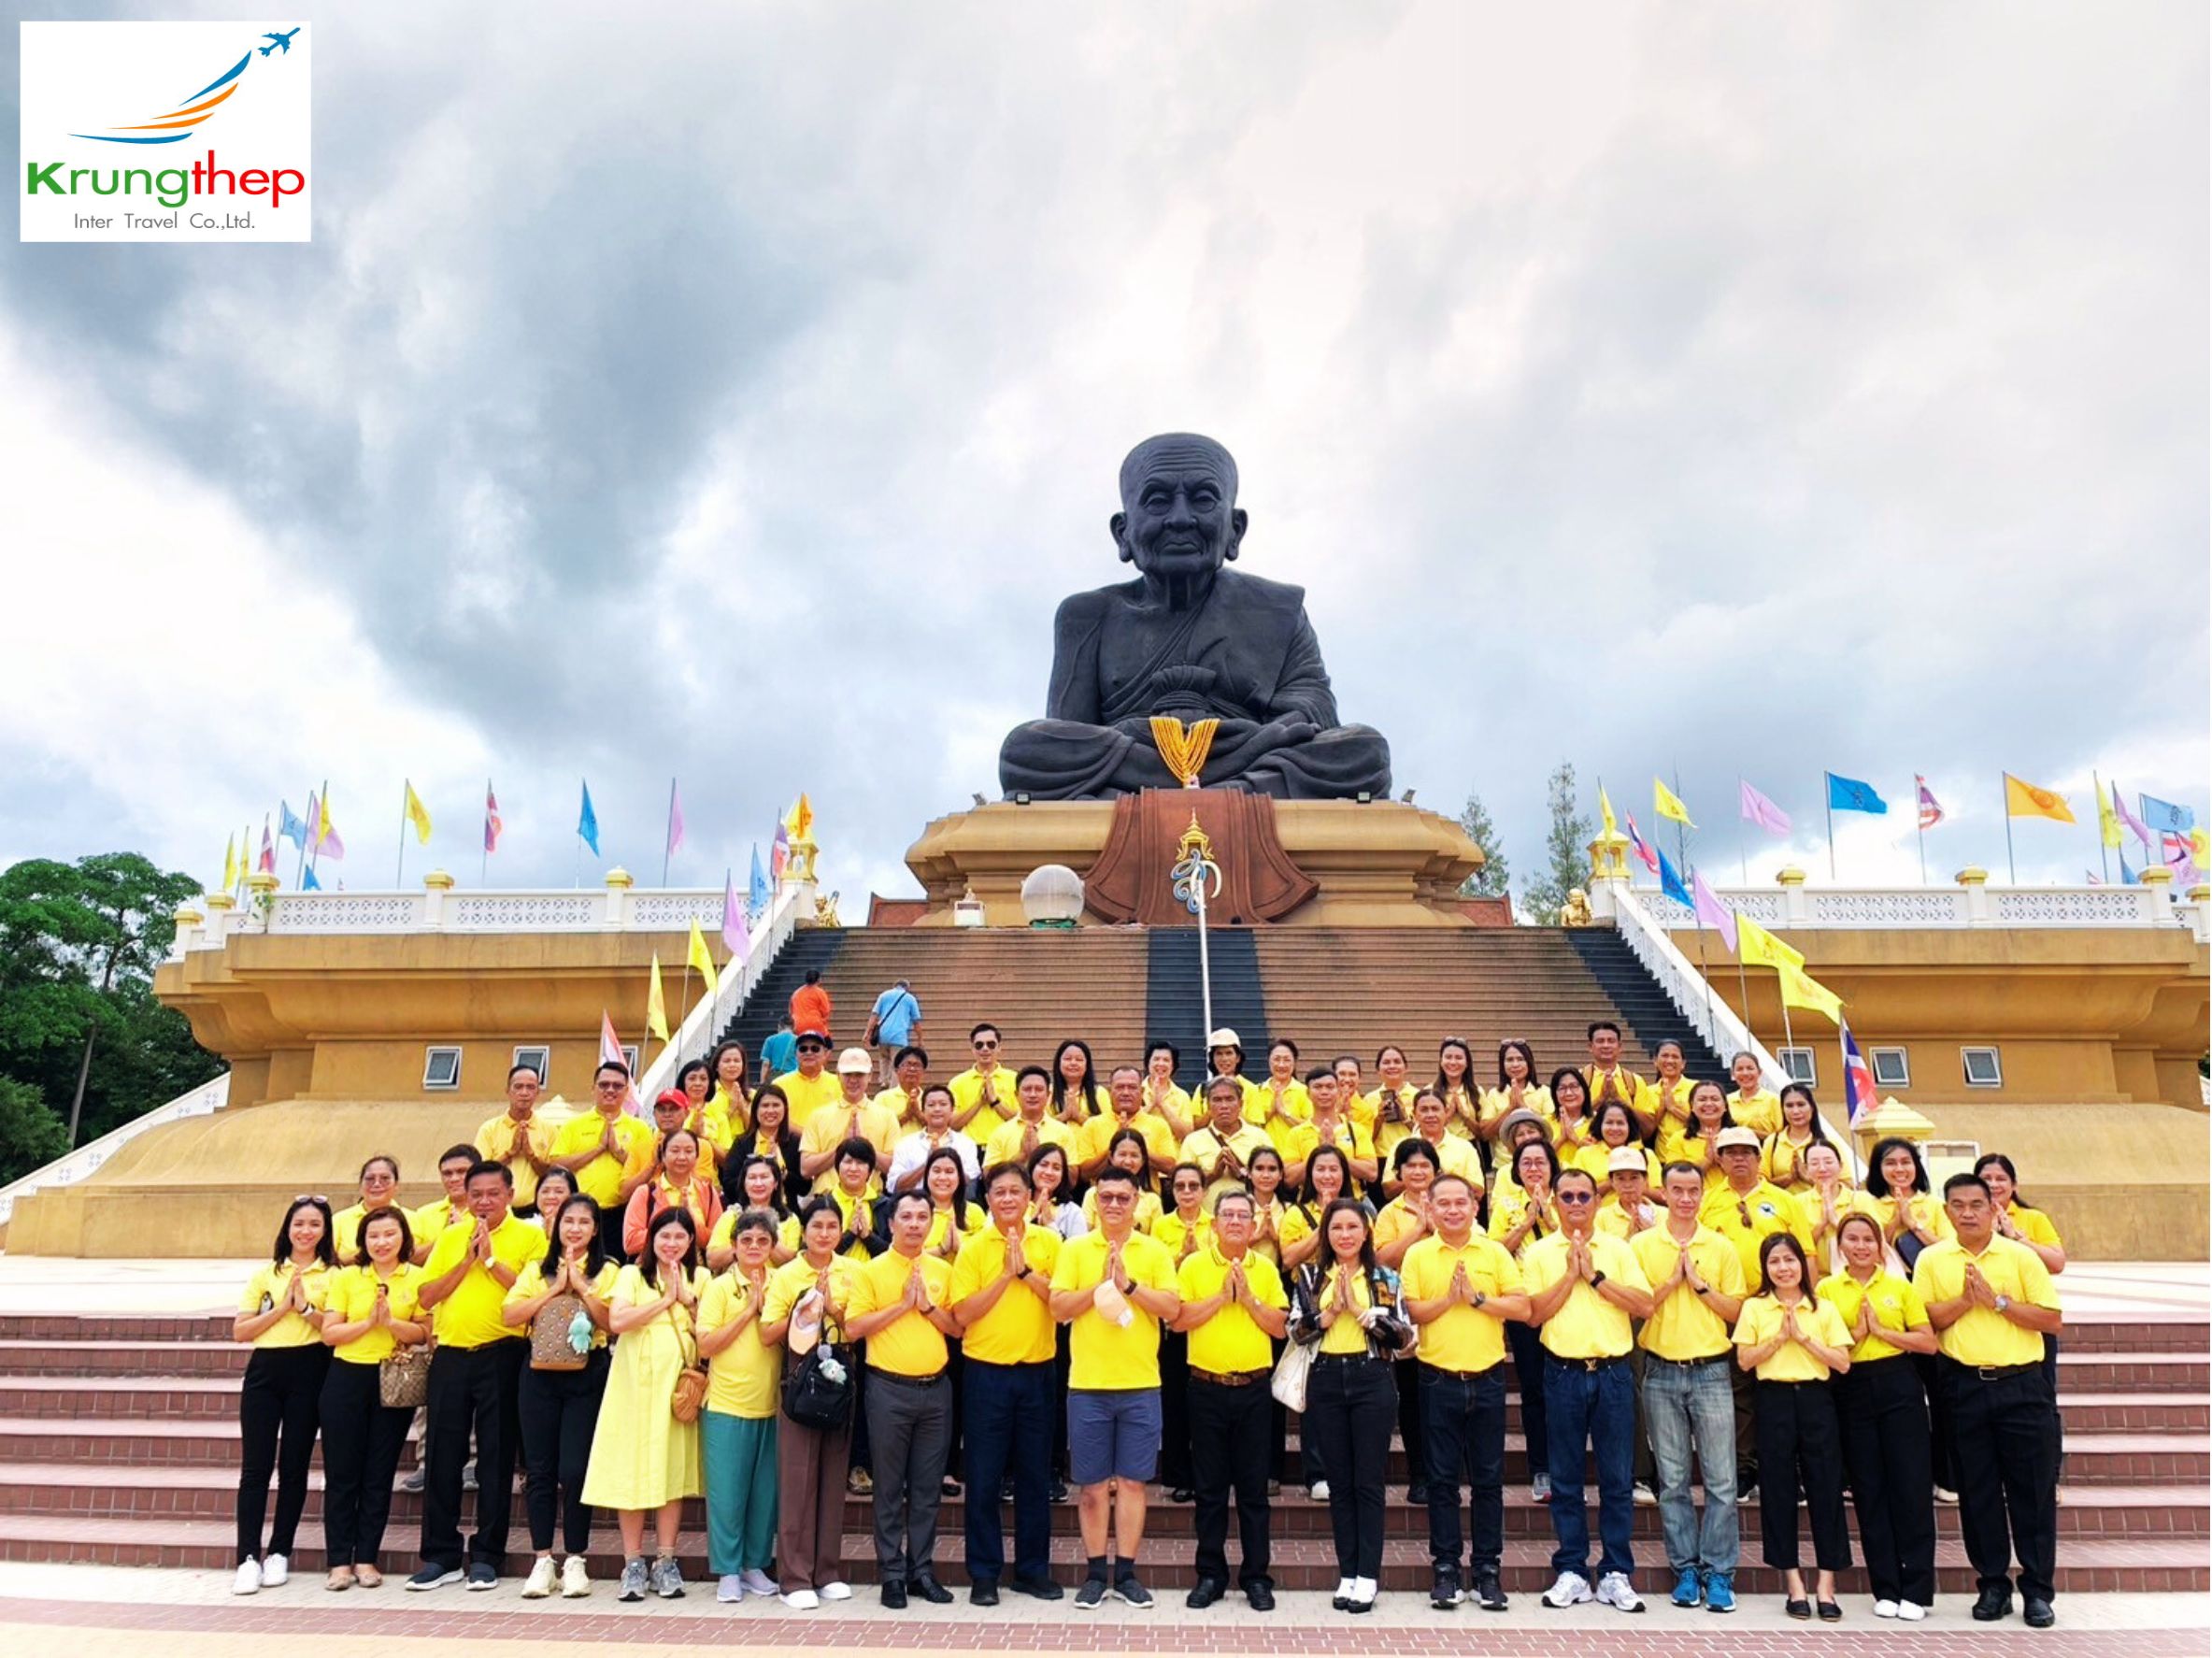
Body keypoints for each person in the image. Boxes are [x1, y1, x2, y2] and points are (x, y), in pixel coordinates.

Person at [1914, 1171, 2064, 1628]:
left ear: (1994, 1208)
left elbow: (2051, 1319)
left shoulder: (2020, 1256)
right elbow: (1925, 1320)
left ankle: (2037, 1589)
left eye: (1976, 1204)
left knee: (2032, 1491)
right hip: (1964, 1387)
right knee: (1977, 1491)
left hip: (2022, 1386)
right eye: (1957, 1205)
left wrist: (1997, 1303)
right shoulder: (1933, 1259)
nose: (1967, 1212)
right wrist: (1965, 1300)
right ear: (1946, 1211)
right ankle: (1993, 1583)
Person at [1523, 1166, 1655, 1613]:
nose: (1576, 1204)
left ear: (1596, 1203)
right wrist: (1569, 1276)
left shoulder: (1619, 1249)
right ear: (1554, 1202)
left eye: (1584, 1196)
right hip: (1562, 1374)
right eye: (1567, 1197)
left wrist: (1596, 1277)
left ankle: (1616, 1570)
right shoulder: (1541, 1252)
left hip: (1614, 1373)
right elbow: (1533, 1314)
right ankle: (1573, 1569)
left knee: (1617, 1479)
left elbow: (1645, 1305)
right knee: (1565, 1479)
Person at [1050, 1165, 1182, 1608]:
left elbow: (1172, 1309)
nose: (1113, 1205)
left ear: (1137, 1201)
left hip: (1141, 1384)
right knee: (1090, 1487)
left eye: (1122, 1198)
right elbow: (1057, 1307)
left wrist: (1128, 1284)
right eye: (1105, 1197)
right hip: (1087, 1384)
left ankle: (1125, 1572)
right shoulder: (1075, 1249)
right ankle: (1093, 1573)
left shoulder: (1155, 1250)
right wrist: (1100, 1286)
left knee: (1131, 1484)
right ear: (1095, 1201)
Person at [408, 1162, 539, 1593]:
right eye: (476, 1194)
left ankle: (487, 1555)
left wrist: (491, 1260)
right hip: (450, 1356)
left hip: (502, 1354)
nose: (484, 1202)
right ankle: (441, 1555)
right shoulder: (449, 1236)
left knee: (496, 1458)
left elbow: (533, 1294)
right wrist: (466, 1260)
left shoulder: (530, 1236)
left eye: (493, 1193)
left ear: (510, 1193)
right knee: (443, 1457)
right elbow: (426, 1295)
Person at [1400, 1172, 1526, 1612]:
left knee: (1489, 1482)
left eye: (1461, 1202)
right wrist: (1449, 1301)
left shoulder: (1494, 1251)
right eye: (1444, 1204)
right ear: (1430, 1209)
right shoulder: (1417, 1254)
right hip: (1437, 1379)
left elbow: (1522, 1307)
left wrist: (1476, 1300)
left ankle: (1488, 1569)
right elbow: (1412, 1310)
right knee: (1442, 1482)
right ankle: (1447, 1569)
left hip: (1488, 1378)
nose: (1453, 1210)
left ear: (1476, 1206)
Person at [1632, 1162, 1747, 1612]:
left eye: (1692, 1190)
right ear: (1664, 1192)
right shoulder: (1643, 1245)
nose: (1684, 1198)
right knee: (1674, 1480)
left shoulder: (1720, 1246)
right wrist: (1669, 1284)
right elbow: (1637, 1305)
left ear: (1702, 1193)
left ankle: (1719, 1572)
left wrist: (1698, 1286)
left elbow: (1736, 1312)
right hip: (1660, 1371)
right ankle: (1685, 1568)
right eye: (1676, 1190)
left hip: (1712, 1371)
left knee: (1721, 1480)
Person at [1287, 1198, 1409, 1614]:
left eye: (1352, 1227)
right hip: (1325, 1379)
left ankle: (1368, 1576)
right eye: (1336, 1228)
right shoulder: (1309, 1275)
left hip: (1371, 1379)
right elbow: (1296, 1331)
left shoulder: (1384, 1276)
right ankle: (1348, 1572)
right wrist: (1329, 1313)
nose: (1344, 1235)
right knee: (1339, 1482)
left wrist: (1359, 1312)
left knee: (1367, 1481)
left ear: (1366, 1232)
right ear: (1326, 1234)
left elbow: (1403, 1337)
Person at [951, 1161, 1064, 1605]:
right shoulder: (975, 1248)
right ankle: (984, 1574)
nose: (1008, 1199)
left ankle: (1033, 1571)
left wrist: (1025, 1274)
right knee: (983, 1477)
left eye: (1016, 1191)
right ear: (988, 1198)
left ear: (1028, 1195)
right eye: (999, 1192)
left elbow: (1063, 1306)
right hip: (986, 1376)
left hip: (1038, 1374)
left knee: (1035, 1477)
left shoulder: (1051, 1242)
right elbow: (961, 1315)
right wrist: (1002, 1275)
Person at [844, 1189, 962, 1606]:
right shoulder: (871, 1271)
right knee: (890, 1487)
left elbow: (958, 1328)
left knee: (928, 1488)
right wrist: (902, 1306)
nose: (914, 1224)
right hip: (888, 1389)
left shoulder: (943, 1271)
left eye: (922, 1217)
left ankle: (921, 1571)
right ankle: (891, 1573)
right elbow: (855, 1327)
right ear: (890, 1223)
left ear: (932, 1223)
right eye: (906, 1217)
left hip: (936, 1390)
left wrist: (927, 1308)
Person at [1173, 1189, 1289, 1610]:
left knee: (1254, 1491)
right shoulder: (1194, 1265)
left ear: (1253, 1224)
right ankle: (1211, 1575)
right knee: (1210, 1489)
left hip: (1255, 1391)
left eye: (1244, 1215)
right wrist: (1222, 1298)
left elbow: (1280, 1328)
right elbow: (1180, 1319)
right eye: (1228, 1215)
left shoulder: (1267, 1268)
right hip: (1206, 1389)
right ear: (1215, 1223)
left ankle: (1257, 1576)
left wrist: (1249, 1299)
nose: (1236, 1222)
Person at [1820, 1210, 1938, 1620]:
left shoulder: (1899, 1287)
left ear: (1880, 1245)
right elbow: (1829, 1352)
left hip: (1898, 1383)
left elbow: (1927, 1342)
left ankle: (1918, 1590)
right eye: (1852, 1239)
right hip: (1852, 1388)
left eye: (1868, 1239)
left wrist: (1882, 1332)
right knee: (1870, 1490)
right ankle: (1885, 1587)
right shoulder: (1828, 1290)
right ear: (1841, 1247)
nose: (1861, 1246)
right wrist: (1857, 1334)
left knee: (1911, 1487)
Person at [584, 1208, 706, 1601]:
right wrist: (666, 1300)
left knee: (671, 1471)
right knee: (633, 1470)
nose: (671, 1244)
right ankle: (633, 1562)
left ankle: (666, 1560)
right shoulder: (632, 1276)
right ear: (651, 1239)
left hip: (676, 1391)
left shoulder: (701, 1278)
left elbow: (710, 1330)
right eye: (664, 1236)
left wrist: (687, 1301)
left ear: (691, 1242)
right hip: (634, 1386)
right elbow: (618, 1321)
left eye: (680, 1237)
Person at [503, 1194, 618, 1599]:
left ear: (595, 1229)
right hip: (538, 1375)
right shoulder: (537, 1270)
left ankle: (575, 1559)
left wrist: (581, 1285)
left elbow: (610, 1321)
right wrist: (555, 1289)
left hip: (587, 1375)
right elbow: (510, 1315)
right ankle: (542, 1559)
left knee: (574, 1469)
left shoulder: (609, 1270)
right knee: (539, 1470)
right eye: (568, 1221)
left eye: (584, 1222)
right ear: (555, 1226)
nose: (575, 1228)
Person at [1734, 1233, 1854, 1620]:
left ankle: (1826, 1585)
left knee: (1825, 1489)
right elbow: (1745, 1361)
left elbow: (1842, 1362)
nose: (1783, 1268)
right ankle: (1794, 1583)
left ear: (1802, 1264)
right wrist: (1777, 1340)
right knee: (1778, 1491)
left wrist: (1802, 1339)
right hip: (1773, 1401)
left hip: (1817, 1401)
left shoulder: (1824, 1308)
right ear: (1766, 1268)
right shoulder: (1755, 1308)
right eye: (1774, 1262)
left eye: (1789, 1260)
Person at [317, 1207, 427, 1590]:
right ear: (363, 1241)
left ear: (403, 1238)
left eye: (389, 1235)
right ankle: (338, 1562)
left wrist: (392, 1323)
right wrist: (368, 1323)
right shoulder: (348, 1277)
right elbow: (330, 1334)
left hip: (392, 1378)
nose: (381, 1242)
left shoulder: (417, 1277)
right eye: (373, 1236)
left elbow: (424, 1334)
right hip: (347, 1378)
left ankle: (366, 1558)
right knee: (342, 1474)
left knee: (378, 1474)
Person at [232, 1195, 336, 1595]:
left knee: (294, 1466)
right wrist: (282, 1309)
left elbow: (330, 1328)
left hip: (310, 1370)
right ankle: (247, 1557)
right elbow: (241, 1331)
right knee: (255, 1469)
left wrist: (306, 1307)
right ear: (287, 1228)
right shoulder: (267, 1274)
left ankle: (279, 1552)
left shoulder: (333, 1275)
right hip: (265, 1372)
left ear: (325, 1230)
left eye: (314, 1224)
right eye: (299, 1224)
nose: (305, 1231)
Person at [763, 1196, 862, 1610]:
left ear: (841, 1232)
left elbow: (856, 1329)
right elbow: (769, 1332)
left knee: (833, 1474)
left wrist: (834, 1310)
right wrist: (806, 1310)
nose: (824, 1233)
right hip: (801, 1375)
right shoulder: (786, 1275)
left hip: (839, 1374)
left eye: (831, 1227)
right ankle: (794, 1576)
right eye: (816, 1226)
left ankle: (827, 1571)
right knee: (798, 1478)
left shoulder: (854, 1271)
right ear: (803, 1231)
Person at [1699, 1124, 1807, 1494]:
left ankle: (1789, 1467)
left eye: (1747, 1152)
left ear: (1760, 1158)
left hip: (1779, 1306)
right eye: (1731, 1152)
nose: (1739, 1158)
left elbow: (1805, 1254)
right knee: (1739, 1389)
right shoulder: (1710, 1200)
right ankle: (1747, 1466)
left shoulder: (1783, 1199)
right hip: (1731, 1309)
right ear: (1720, 1158)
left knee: (1784, 1384)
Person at [695, 1208, 786, 1604]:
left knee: (764, 1496)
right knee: (727, 1496)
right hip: (726, 1406)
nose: (753, 1247)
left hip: (770, 1406)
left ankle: (753, 1565)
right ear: (733, 1246)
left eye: (762, 1241)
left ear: (772, 1246)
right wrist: (750, 1310)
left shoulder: (782, 1283)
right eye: (746, 1241)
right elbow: (706, 1345)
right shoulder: (719, 1287)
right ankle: (728, 1571)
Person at [1488, 1138, 1562, 1500]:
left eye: (1540, 1162)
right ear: (1516, 1170)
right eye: (1526, 1163)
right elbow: (1495, 1248)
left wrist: (1548, 1216)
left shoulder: (1570, 1199)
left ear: (1552, 1166)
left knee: (1565, 1391)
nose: (1533, 1169)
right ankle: (1541, 1470)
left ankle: (1567, 1470)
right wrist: (1527, 1221)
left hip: (1562, 1302)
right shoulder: (1505, 1204)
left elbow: (1576, 1240)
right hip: (1523, 1303)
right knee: (1533, 1388)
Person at [549, 1063, 658, 1259]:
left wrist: (617, 1152)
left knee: (614, 1269)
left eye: (617, 1086)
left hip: (620, 1213)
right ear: (593, 1089)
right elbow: (556, 1164)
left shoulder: (639, 1128)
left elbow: (647, 1172)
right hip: (581, 1214)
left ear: (627, 1091)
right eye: (604, 1085)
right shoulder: (574, 1125)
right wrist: (598, 1149)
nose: (610, 1090)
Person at [1149, 1162, 1210, 1502]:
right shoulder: (1160, 1227)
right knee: (1174, 1400)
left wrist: (1198, 1257)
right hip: (1172, 1322)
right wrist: (1181, 1259)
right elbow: (1155, 1275)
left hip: (1204, 1319)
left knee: (1203, 1403)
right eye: (1181, 1187)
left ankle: (1205, 1473)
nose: (1187, 1192)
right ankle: (1178, 1474)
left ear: (1203, 1190)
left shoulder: (1215, 1224)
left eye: (1193, 1186)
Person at [799, 1048, 901, 1191]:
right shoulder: (818, 1116)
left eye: (859, 1074)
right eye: (847, 1074)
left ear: (870, 1076)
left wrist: (865, 1149)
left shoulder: (886, 1115)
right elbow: (806, 1169)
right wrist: (842, 1147)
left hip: (871, 1200)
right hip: (829, 1201)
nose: (853, 1080)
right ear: (838, 1075)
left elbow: (895, 1168)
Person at [622, 1125, 722, 1258]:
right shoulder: (645, 1193)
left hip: (697, 1272)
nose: (682, 1157)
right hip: (653, 1271)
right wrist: (671, 1221)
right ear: (662, 1156)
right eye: (675, 1151)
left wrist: (690, 1219)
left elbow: (718, 1242)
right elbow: (631, 1242)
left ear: (697, 1156)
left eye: (688, 1151)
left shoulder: (708, 1192)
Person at [1182, 1074, 1277, 1205]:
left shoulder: (1260, 1137)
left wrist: (1241, 1174)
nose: (1224, 1106)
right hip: (1206, 1221)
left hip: (1251, 1218)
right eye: (1217, 1100)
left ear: (1241, 1104)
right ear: (1208, 1107)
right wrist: (1213, 1174)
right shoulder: (1192, 1141)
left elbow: (1275, 1180)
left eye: (1230, 1099)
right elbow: (1182, 1186)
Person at [1077, 1065, 1180, 1180]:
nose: (1126, 1093)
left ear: (1141, 1092)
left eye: (1132, 1087)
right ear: (1110, 1091)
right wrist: (1116, 1143)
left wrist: (1137, 1146)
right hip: (1104, 1195)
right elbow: (1084, 1172)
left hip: (1147, 1196)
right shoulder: (1092, 1124)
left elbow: (1171, 1168)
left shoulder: (1158, 1125)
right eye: (1120, 1087)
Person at [477, 1065, 552, 1216]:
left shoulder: (549, 1129)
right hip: (496, 1211)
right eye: (518, 1087)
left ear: (538, 1092)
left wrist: (531, 1155)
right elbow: (480, 1174)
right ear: (508, 1091)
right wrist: (510, 1153)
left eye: (530, 1087)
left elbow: (552, 1174)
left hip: (535, 1211)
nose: (524, 1093)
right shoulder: (489, 1129)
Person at [1286, 1065, 1377, 1188]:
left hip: (1350, 1202)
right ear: (1307, 1093)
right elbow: (1289, 1180)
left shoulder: (1356, 1130)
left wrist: (1336, 1151)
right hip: (1309, 1203)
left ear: (1338, 1091)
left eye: (1330, 1087)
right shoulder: (1296, 1133)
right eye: (1317, 1087)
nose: (1324, 1092)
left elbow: (1372, 1173)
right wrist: (1318, 1153)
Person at [1379, 1088, 1480, 1194]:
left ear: (1445, 1112)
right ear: (1414, 1114)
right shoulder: (1400, 1145)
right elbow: (1388, 1190)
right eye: (1424, 1110)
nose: (1430, 1115)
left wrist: (1443, 1178)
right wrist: (1424, 1177)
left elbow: (1478, 1192)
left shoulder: (1464, 1147)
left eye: (1435, 1109)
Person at [1797, 1143, 1877, 1276]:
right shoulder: (1797, 1202)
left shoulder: (1861, 1199)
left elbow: (1875, 1241)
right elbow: (1797, 1250)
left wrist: (1836, 1221)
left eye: (1828, 1162)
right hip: (1816, 1280)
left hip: (1857, 1277)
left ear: (1840, 1166)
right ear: (1806, 1169)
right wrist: (1822, 1224)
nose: (1822, 1169)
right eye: (1815, 1163)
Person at [889, 1080, 981, 1193]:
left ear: (952, 1110)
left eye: (943, 1104)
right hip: (916, 1206)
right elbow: (895, 1186)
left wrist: (944, 1161)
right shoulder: (905, 1144)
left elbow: (970, 1183)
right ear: (923, 1110)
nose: (937, 1109)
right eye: (931, 1105)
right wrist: (928, 1162)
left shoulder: (966, 1144)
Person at [707, 1155, 798, 1269]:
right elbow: (712, 1261)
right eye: (752, 1178)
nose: (758, 1183)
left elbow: (790, 1263)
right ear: (744, 1184)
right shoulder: (731, 1216)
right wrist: (743, 1239)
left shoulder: (790, 1219)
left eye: (764, 1177)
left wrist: (764, 1230)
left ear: (776, 1183)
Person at [984, 1064, 1080, 1170]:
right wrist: (1021, 1156)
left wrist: (1041, 1159)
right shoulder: (1000, 1132)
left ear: (1048, 1095)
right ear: (1016, 1095)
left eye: (1039, 1089)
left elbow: (1073, 1178)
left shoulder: (1063, 1132)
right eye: (1027, 1089)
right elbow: (988, 1177)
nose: (1033, 1094)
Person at [723, 1081, 802, 1209]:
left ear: (785, 1109)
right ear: (755, 1110)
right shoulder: (742, 1143)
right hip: (747, 1214)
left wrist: (782, 1172)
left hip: (786, 1214)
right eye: (765, 1106)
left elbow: (804, 1187)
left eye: (776, 1105)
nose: (770, 1110)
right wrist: (752, 1175)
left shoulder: (794, 1142)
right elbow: (728, 1185)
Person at [1761, 1084, 1843, 1194]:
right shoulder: (1772, 1142)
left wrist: (1808, 1178)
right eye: (1789, 1106)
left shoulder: (1828, 1143)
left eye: (1801, 1105)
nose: (1795, 1111)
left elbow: (1847, 1185)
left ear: (1812, 1107)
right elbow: (1759, 1182)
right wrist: (1786, 1179)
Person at [1583, 1021, 1658, 1138]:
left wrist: (1619, 1100)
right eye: (1600, 1041)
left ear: (1620, 1046)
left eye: (1611, 1041)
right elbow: (1570, 1121)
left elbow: (1648, 1128)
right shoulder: (1580, 1079)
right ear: (1590, 1047)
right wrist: (1600, 1099)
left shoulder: (1634, 1081)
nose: (1606, 1045)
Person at [1081, 1128, 1166, 1232]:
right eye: (1122, 1154)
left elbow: (1156, 1243)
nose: (1127, 1161)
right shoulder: (1093, 1194)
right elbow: (1084, 1235)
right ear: (1111, 1157)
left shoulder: (1153, 1200)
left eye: (1134, 1155)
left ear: (1143, 1160)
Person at [411, 1144, 485, 1263]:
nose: (454, 1179)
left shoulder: (493, 1211)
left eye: (461, 1172)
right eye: (447, 1173)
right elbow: (412, 1260)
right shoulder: (423, 1214)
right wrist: (445, 1236)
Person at [333, 1154, 406, 1265]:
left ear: (396, 1185)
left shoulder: (413, 1218)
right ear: (360, 1185)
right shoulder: (339, 1220)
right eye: (370, 1179)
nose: (376, 1184)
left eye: (385, 1178)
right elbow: (324, 1262)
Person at [1479, 1039, 1552, 1148]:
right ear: (1502, 1065)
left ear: (1529, 1062)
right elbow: (1485, 1133)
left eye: (1520, 1059)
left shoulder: (1544, 1091)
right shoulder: (1494, 1094)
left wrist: (1523, 1107)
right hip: (1503, 1163)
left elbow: (1551, 1129)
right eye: (1509, 1060)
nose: (1515, 1064)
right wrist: (1510, 1108)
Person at [1247, 1038, 1313, 1155]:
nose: (1281, 1065)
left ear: (1295, 1062)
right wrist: (1272, 1110)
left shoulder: (1304, 1091)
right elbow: (1252, 1127)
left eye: (1287, 1060)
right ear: (1268, 1061)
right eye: (1277, 1059)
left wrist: (1283, 1112)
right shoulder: (1257, 1091)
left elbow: (1311, 1128)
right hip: (1265, 1158)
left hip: (1296, 1157)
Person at [949, 1022, 1020, 1132]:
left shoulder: (1015, 1079)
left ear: (999, 1047)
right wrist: (979, 1102)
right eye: (979, 1045)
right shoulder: (957, 1082)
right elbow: (952, 1125)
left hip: (1003, 1146)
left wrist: (995, 1101)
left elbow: (1021, 1121)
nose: (985, 1049)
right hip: (971, 1146)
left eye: (991, 1044)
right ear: (972, 1049)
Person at [1657, 1079, 1732, 1176]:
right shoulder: (1679, 1139)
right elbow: (1675, 1179)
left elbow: (1755, 1178)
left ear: (1725, 1106)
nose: (1709, 1104)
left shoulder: (1741, 1136)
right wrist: (1707, 1160)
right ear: (1692, 1106)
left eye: (1715, 1099)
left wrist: (1722, 1160)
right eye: (1702, 1099)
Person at [772, 1028, 845, 1125]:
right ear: (795, 1054)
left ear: (825, 1053)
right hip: (791, 1139)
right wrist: (805, 1135)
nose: (809, 1053)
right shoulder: (779, 1085)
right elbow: (776, 1118)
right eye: (803, 1049)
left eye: (815, 1049)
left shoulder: (838, 1083)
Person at [673, 1060, 735, 1171]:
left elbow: (727, 1161)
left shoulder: (718, 1115)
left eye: (703, 1079)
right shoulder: (673, 1111)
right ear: (683, 1082)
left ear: (709, 1083)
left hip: (708, 1183)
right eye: (692, 1078)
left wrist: (704, 1137)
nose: (698, 1083)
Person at [868, 979, 923, 1083]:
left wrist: (867, 1032)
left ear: (894, 985)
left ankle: (884, 1081)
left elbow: (874, 1014)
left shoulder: (884, 995)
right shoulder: (910, 998)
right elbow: (916, 1022)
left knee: (884, 1058)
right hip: (899, 1037)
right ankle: (893, 1087)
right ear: (907, 988)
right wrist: (920, 1039)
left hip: (883, 1035)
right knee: (897, 1062)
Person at [1647, 1040, 1698, 1150]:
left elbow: (1703, 1124)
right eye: (1665, 1056)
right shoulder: (1648, 1092)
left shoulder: (1696, 1088)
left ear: (1683, 1063)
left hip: (1692, 1154)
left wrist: (1673, 1108)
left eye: (1675, 1057)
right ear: (1655, 1061)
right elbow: (1646, 1130)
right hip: (1663, 1157)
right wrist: (1661, 1109)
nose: (1670, 1060)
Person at [1360, 1043, 1416, 1141]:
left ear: (1406, 1067)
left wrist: (1405, 1118)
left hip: (1411, 1153)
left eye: (1397, 1062)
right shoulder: (1369, 1099)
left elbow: (1426, 1135)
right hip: (1381, 1155)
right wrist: (1379, 1118)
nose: (1392, 1066)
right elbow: (1366, 1140)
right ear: (1378, 1069)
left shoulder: (1417, 1096)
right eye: (1386, 1062)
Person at [1141, 1041, 1196, 1140]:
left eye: (1166, 1060)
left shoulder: (1182, 1096)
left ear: (1173, 1066)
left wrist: (1162, 1105)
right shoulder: (1136, 1091)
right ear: (1148, 1063)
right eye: (1156, 1059)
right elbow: (1128, 1125)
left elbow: (1187, 1135)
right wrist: (1151, 1105)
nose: (1161, 1063)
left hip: (1172, 1154)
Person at [1049, 1037, 1111, 1125]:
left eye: (1079, 1059)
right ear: (1058, 1063)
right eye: (1067, 1059)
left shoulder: (1099, 1093)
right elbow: (1040, 1125)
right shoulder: (1047, 1092)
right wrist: (1063, 1116)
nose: (1073, 1063)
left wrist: (1078, 1116)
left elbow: (1107, 1126)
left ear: (1087, 1065)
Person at [1430, 1037, 1481, 1140]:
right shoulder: (1430, 1092)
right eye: (1448, 1057)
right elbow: (1425, 1130)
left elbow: (1483, 1133)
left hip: (1469, 1148)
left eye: (1458, 1058)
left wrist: (1464, 1115)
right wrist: (1448, 1115)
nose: (1453, 1062)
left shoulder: (1476, 1091)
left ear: (1467, 1063)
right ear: (1441, 1061)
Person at [876, 1044, 934, 1135]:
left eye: (917, 1065)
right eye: (907, 1064)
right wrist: (906, 1115)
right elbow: (880, 1129)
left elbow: (939, 1129)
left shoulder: (931, 1098)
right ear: (896, 1070)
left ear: (923, 1072)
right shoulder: (883, 1098)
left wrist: (918, 1114)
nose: (912, 1069)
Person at [1725, 1052, 1784, 1138]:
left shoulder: (1774, 1100)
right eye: (1739, 1069)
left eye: (1750, 1068)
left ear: (1759, 1072)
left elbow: (1782, 1135)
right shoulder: (1727, 1101)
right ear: (1733, 1074)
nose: (1745, 1073)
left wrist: (1750, 1133)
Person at [706, 1038, 753, 1125]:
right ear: (717, 1066)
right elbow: (710, 1130)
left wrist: (742, 1109)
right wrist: (731, 1109)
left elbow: (756, 1132)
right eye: (727, 1061)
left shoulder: (752, 1095)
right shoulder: (708, 1094)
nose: (732, 1065)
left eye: (737, 1061)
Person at [790, 967, 832, 1042]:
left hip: (797, 1025)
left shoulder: (796, 993)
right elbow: (826, 1011)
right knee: (828, 1044)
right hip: (815, 1025)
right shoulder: (820, 992)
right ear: (818, 980)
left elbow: (791, 1010)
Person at [758, 1017, 798, 1086]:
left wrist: (762, 1083)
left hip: (776, 1078)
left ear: (779, 1026)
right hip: (793, 1077)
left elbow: (765, 1064)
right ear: (793, 1027)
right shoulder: (798, 1040)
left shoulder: (770, 1040)